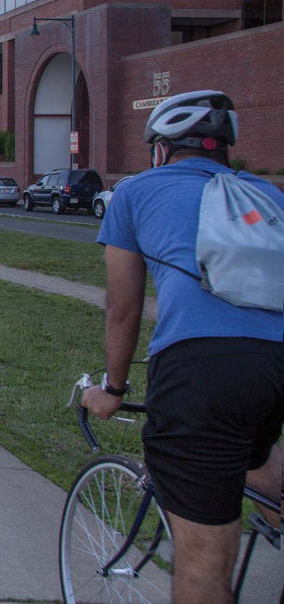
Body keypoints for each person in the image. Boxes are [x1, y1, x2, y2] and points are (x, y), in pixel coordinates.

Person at [82, 90, 284, 603]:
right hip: (275, 360)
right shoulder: (269, 196)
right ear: (225, 151)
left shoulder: (136, 192)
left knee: (203, 563)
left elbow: (123, 309)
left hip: (203, 367)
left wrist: (113, 387)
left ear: (161, 149)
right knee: (255, 446)